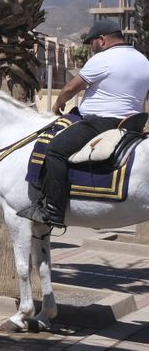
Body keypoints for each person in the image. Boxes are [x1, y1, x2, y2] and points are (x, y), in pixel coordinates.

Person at [18, 19, 149, 228]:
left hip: (101, 122)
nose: (91, 48)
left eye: (92, 43)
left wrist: (58, 103)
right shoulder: (143, 60)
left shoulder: (104, 58)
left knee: (55, 151)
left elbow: (71, 87)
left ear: (103, 40)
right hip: (131, 123)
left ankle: (53, 211)